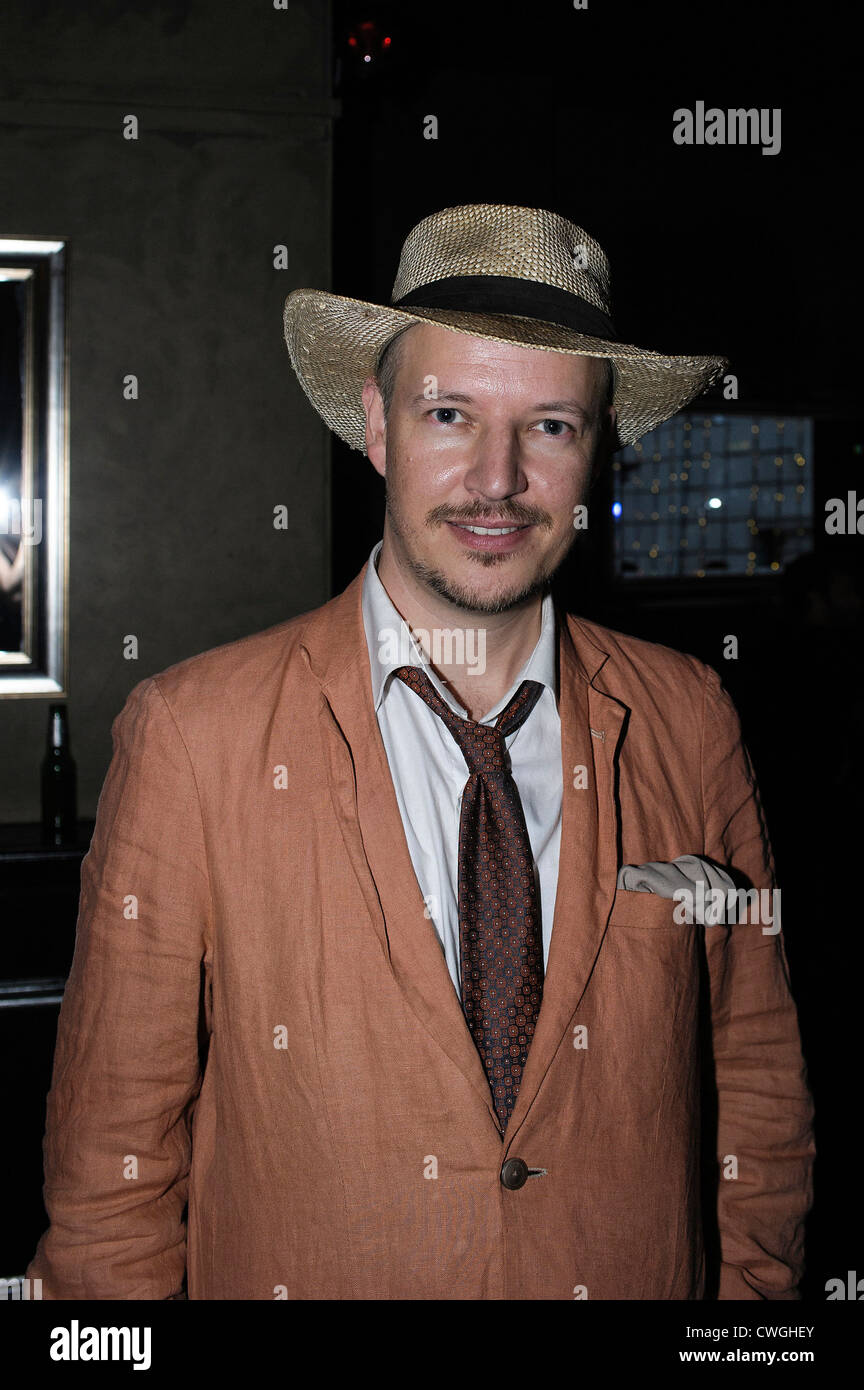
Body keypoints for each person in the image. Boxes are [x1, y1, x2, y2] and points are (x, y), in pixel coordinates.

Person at [27, 203, 814, 1300]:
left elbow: (758, 1082)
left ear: (598, 448)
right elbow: (111, 1186)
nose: (496, 480)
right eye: (450, 413)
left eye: (550, 425)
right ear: (379, 426)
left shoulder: (690, 717)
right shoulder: (190, 737)